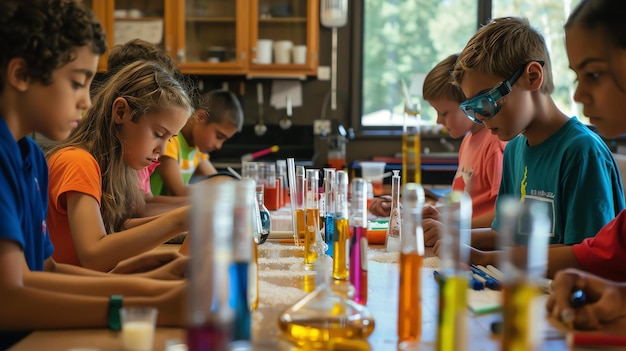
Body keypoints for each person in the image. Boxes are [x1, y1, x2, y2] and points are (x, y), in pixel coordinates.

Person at [0, 1, 186, 348]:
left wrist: (151, 284)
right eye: (76, 83)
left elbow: (45, 271)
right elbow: (8, 300)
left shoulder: (29, 157)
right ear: (21, 75)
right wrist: (147, 304)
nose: (86, 101)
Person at [430, 17, 625, 265]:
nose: (479, 118)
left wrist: (483, 258)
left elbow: (587, 256)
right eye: (472, 108)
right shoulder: (514, 150)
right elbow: (507, 235)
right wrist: (451, 234)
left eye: (486, 103)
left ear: (532, 77)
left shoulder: (581, 151)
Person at [46, 59, 194, 272]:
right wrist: (178, 220)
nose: (162, 150)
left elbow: (117, 228)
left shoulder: (120, 166)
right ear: (121, 112)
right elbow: (93, 256)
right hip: (61, 297)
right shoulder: (78, 162)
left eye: (169, 139)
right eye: (158, 134)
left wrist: (192, 216)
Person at [546, 0, 626, 330]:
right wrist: (617, 296)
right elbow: (601, 252)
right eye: (577, 76)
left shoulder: (581, 149)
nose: (578, 94)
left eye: (593, 74)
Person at [370, 54, 506, 230]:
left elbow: (502, 216)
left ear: (469, 102)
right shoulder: (468, 142)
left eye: (444, 113)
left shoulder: (494, 145)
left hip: (474, 245)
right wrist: (410, 211)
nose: (438, 121)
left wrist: (455, 230)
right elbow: (465, 205)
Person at [105, 39, 190, 218]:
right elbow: (138, 211)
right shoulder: (112, 153)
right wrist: (189, 214)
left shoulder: (133, 150)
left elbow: (146, 201)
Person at [150, 89, 244, 196]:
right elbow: (180, 192)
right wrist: (227, 183)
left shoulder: (197, 149)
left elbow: (215, 177)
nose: (219, 146)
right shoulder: (170, 141)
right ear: (200, 117)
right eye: (219, 136)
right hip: (154, 212)